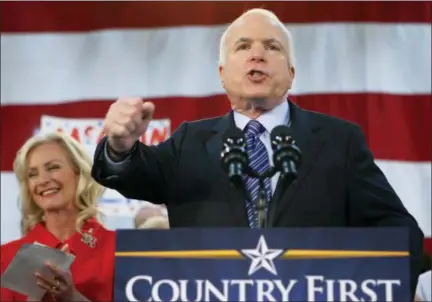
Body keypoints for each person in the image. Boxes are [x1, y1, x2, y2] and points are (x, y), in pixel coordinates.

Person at [91, 8, 424, 296]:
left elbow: (399, 229)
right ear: (222, 75)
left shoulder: (339, 140)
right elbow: (136, 175)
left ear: (291, 74)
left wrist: (377, 288)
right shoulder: (190, 141)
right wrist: (120, 147)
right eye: (243, 46)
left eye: (272, 46)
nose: (257, 54)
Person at [1, 132, 115, 301]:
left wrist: (73, 298)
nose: (42, 180)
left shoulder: (117, 248)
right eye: (33, 174)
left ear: (78, 172)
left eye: (53, 167)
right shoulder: (6, 256)